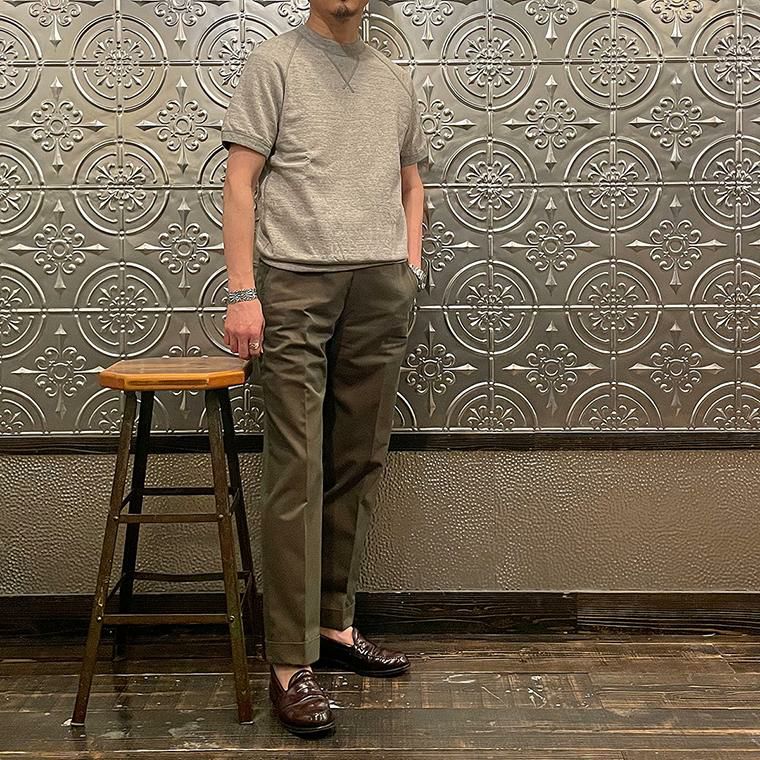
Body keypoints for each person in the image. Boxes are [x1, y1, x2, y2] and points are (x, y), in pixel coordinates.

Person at [220, 0, 428, 737]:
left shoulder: (394, 79)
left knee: (359, 458)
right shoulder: (273, 64)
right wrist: (242, 292)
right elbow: (240, 182)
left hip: (380, 285)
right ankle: (288, 659)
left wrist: (409, 268)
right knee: (297, 466)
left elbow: (411, 182)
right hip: (294, 284)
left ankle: (335, 624)